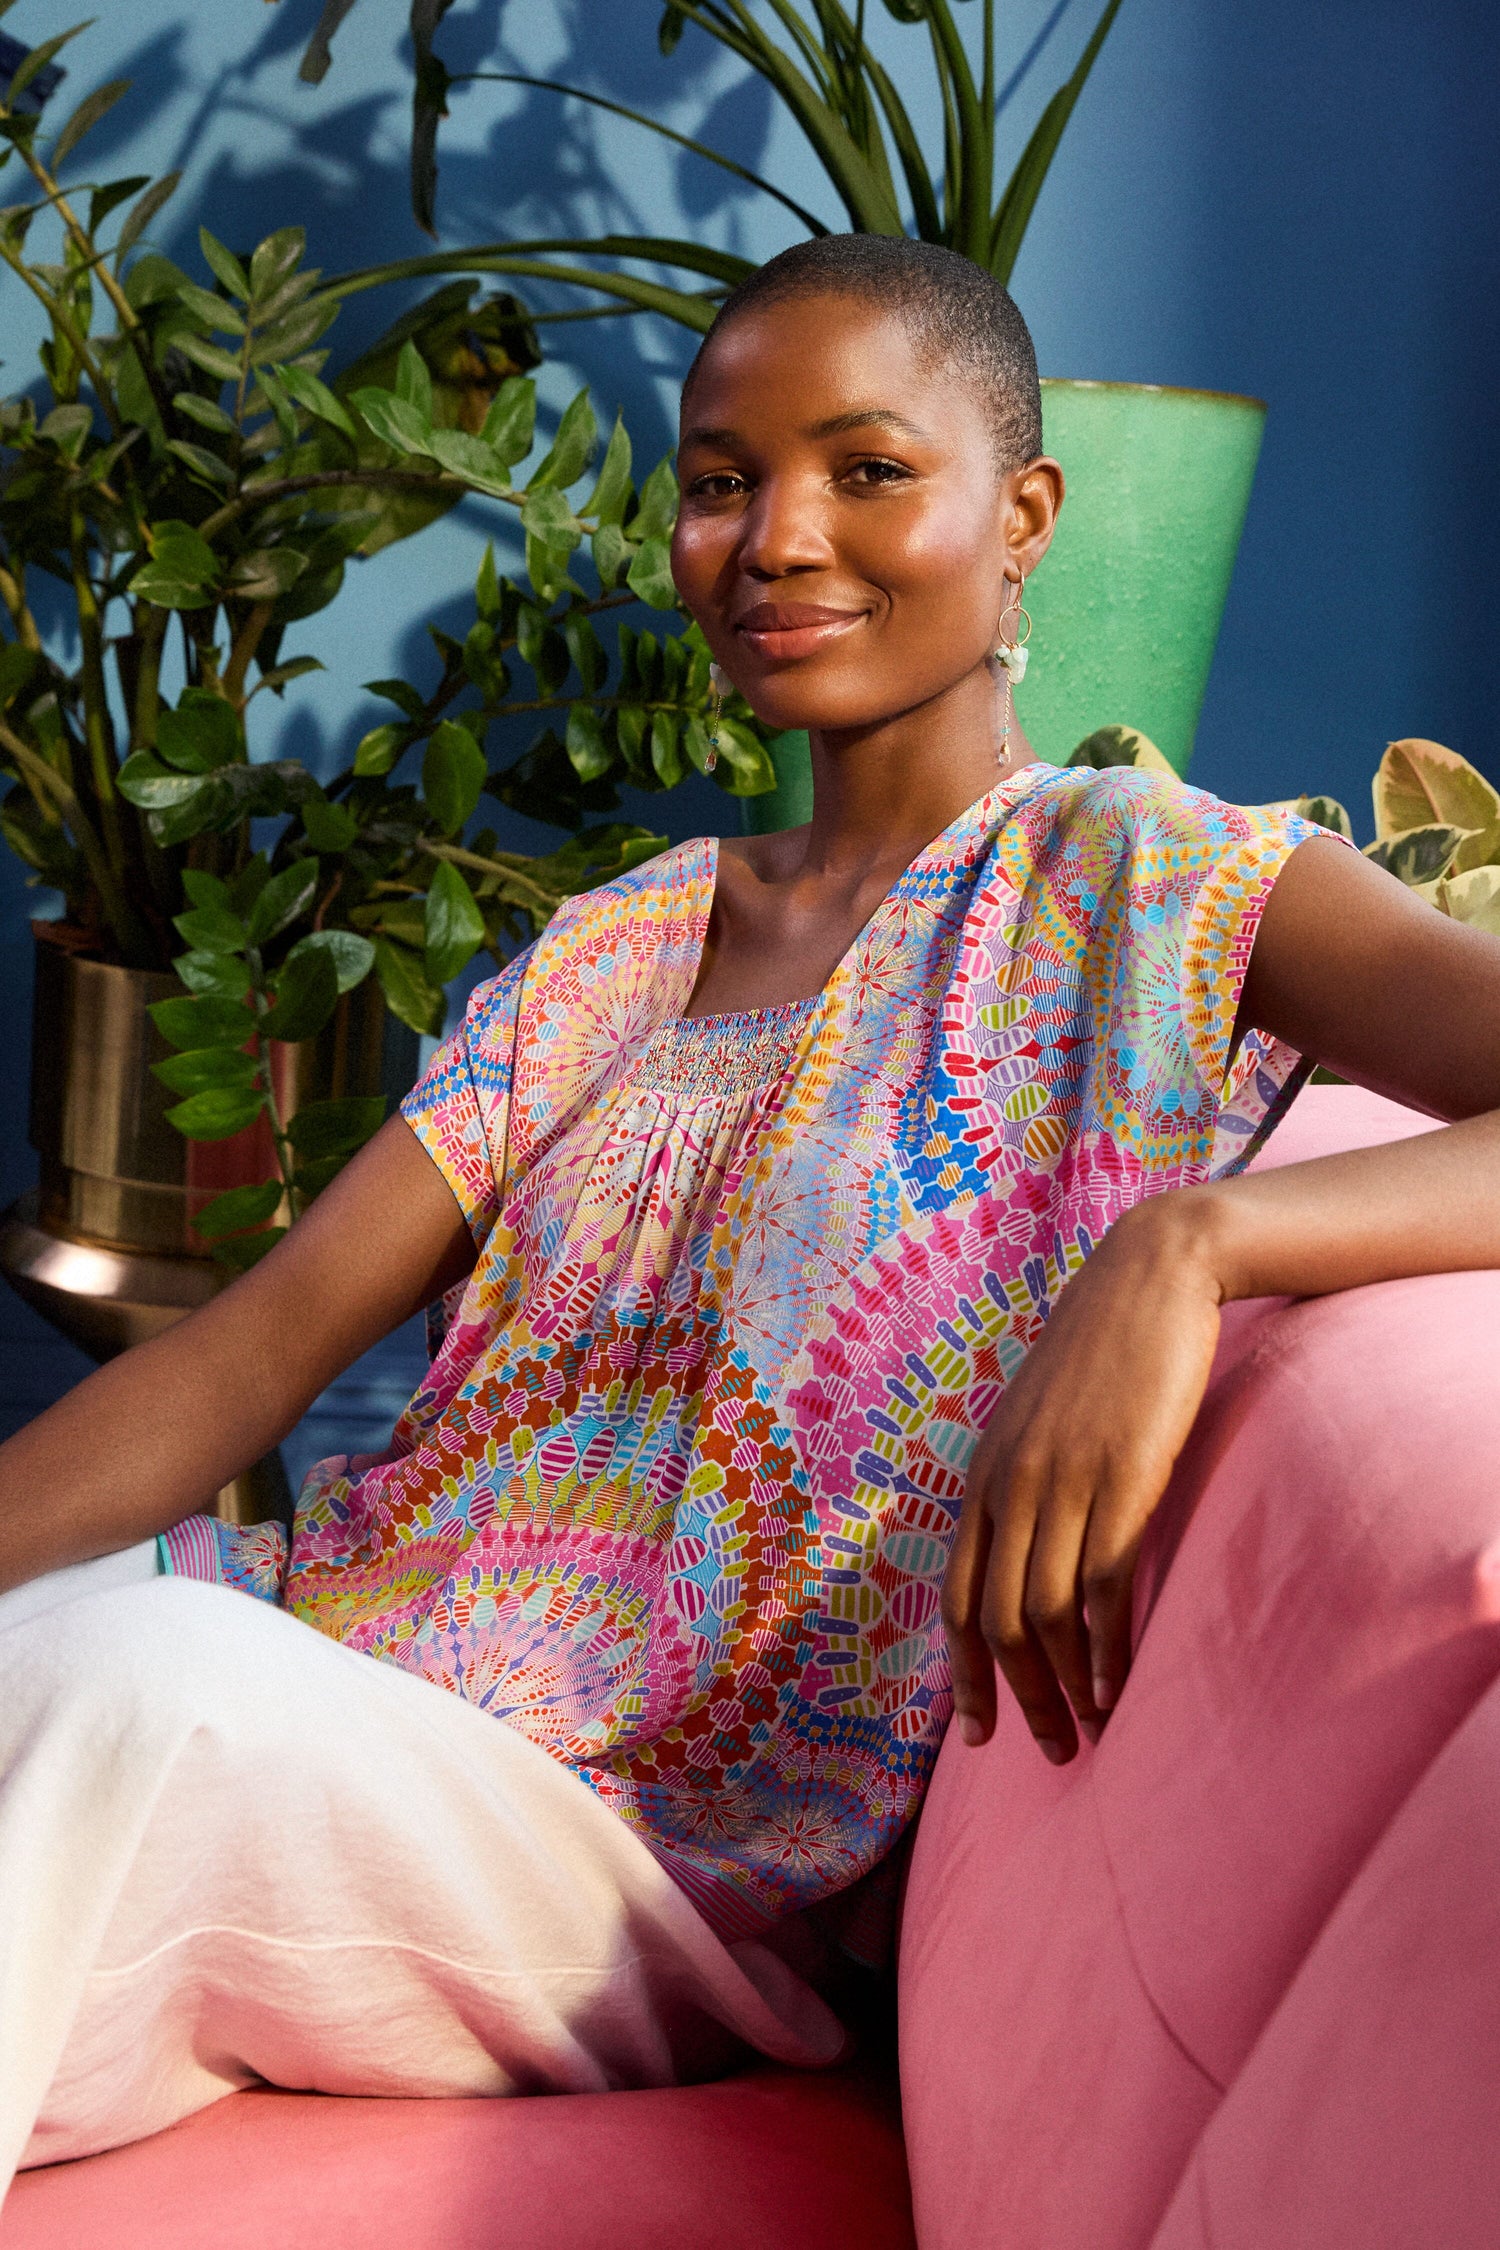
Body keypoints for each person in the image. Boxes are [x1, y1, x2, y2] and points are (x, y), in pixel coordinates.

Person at [2, 232, 1498, 2198]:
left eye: (868, 469)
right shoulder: (610, 954)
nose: (779, 537)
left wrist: (1193, 1248)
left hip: (644, 1852)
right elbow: (245, 1360)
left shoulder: (1145, 882)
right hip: (347, 1675)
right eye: (724, 479)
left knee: (130, 1701)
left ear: (1023, 512)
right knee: (83, 1660)